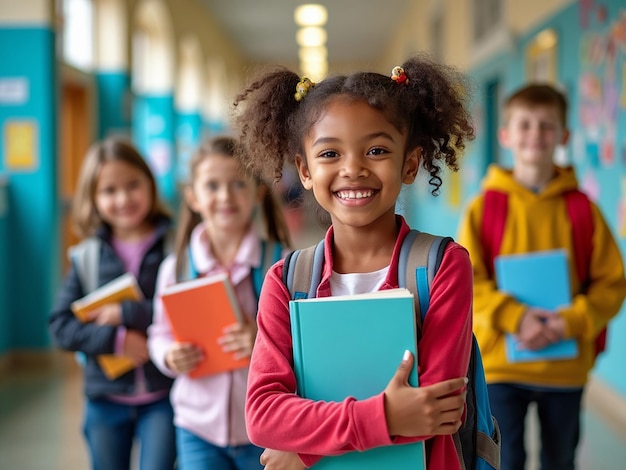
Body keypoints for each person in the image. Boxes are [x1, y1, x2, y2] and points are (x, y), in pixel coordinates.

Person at [233, 54, 476, 470]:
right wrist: (387, 415)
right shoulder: (287, 280)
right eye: (329, 154)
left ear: (410, 164)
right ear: (304, 170)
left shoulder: (442, 267)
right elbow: (262, 416)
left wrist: (306, 449)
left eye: (377, 149)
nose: (353, 168)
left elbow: (437, 408)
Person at [457, 83, 626, 470]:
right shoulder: (483, 209)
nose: (536, 134)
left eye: (547, 126)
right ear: (506, 135)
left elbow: (612, 284)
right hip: (501, 366)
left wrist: (569, 322)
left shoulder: (584, 211)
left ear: (564, 136)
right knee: (505, 459)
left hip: (564, 369)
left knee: (560, 459)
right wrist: (515, 317)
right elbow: (467, 280)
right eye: (525, 124)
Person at [147, 136, 292, 470]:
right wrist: (169, 356)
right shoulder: (177, 268)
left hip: (264, 427)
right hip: (197, 427)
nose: (225, 196)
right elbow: (159, 333)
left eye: (238, 184)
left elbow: (302, 345)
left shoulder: (281, 265)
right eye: (212, 186)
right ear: (193, 197)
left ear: (257, 192)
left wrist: (262, 345)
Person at [49, 137, 177, 470]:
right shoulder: (87, 256)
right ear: (93, 198)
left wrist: (125, 313)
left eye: (133, 185)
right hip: (104, 401)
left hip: (164, 397)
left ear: (150, 183)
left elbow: (184, 311)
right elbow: (61, 327)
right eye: (109, 191)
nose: (123, 199)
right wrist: (118, 340)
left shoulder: (176, 247)